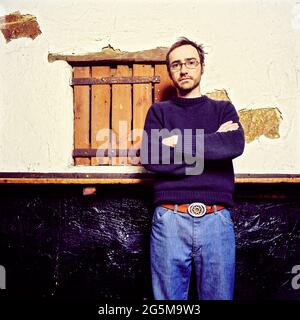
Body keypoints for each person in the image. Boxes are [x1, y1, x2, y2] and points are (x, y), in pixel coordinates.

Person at [140, 37, 245, 300]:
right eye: (176, 65)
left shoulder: (223, 109)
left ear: (201, 67)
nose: (184, 69)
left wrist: (177, 142)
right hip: (169, 220)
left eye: (190, 62)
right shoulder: (159, 112)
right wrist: (211, 147)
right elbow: (153, 157)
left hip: (217, 219)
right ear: (170, 72)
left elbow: (233, 144)